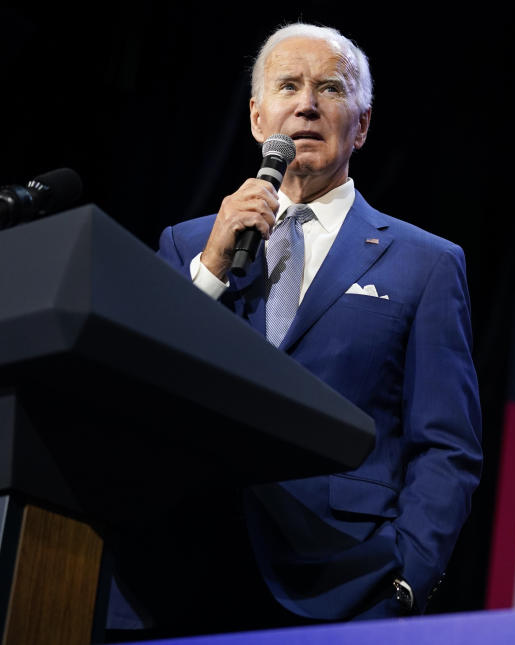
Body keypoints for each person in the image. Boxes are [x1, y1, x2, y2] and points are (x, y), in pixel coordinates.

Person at [146, 22, 482, 629]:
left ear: (363, 124)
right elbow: (143, 388)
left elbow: (447, 447)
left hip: (341, 581)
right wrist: (213, 269)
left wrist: (407, 579)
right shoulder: (188, 244)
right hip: (179, 565)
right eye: (289, 86)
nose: (306, 103)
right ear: (256, 117)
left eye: (329, 87)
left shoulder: (426, 263)